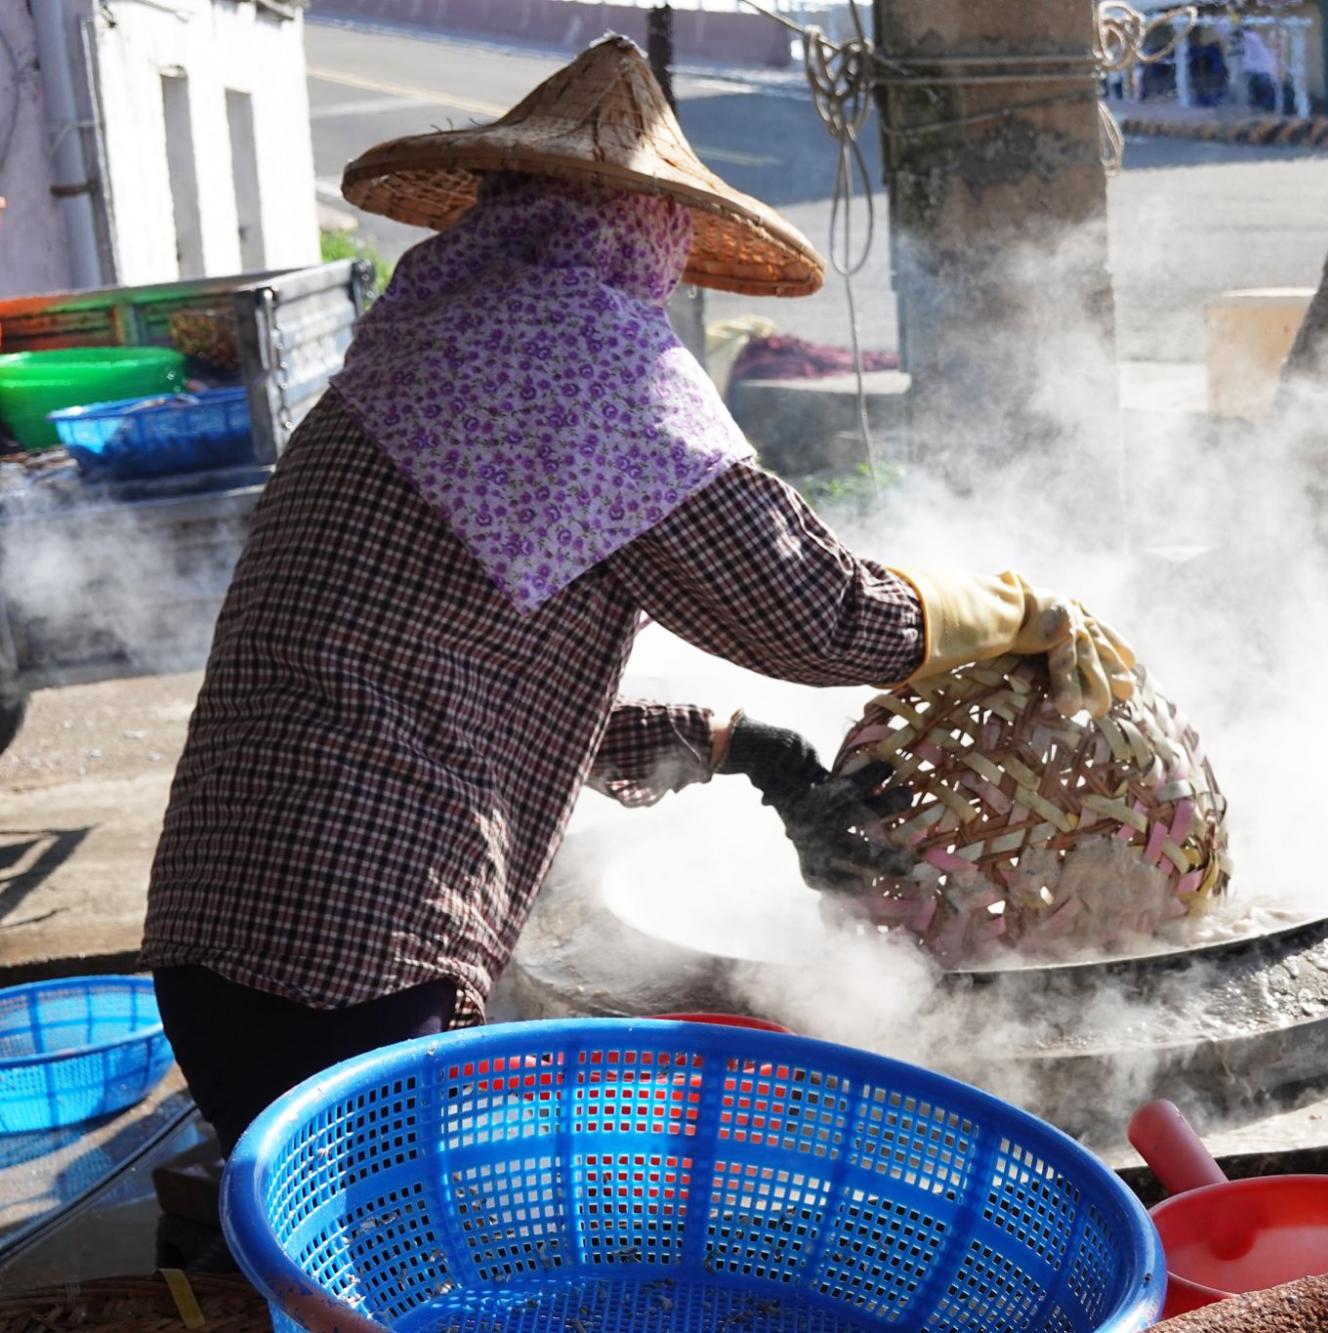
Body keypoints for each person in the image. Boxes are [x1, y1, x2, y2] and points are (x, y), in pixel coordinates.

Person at [139, 37, 1136, 1153]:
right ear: (646, 225)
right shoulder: (588, 365)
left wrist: (748, 748)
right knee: (392, 1274)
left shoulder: (409, 355)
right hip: (355, 953)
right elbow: (815, 617)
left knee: (322, 1244)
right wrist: (1010, 612)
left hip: (215, 939)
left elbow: (462, 690)